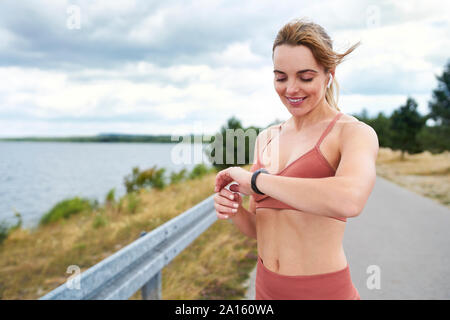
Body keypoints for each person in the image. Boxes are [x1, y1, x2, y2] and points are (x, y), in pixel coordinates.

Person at [214, 17, 379, 300]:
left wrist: (257, 181)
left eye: (305, 77)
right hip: (266, 291)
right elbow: (258, 228)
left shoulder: (352, 133)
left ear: (330, 73)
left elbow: (350, 199)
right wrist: (234, 209)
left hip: (323, 292)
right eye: (281, 77)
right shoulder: (266, 138)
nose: (291, 89)